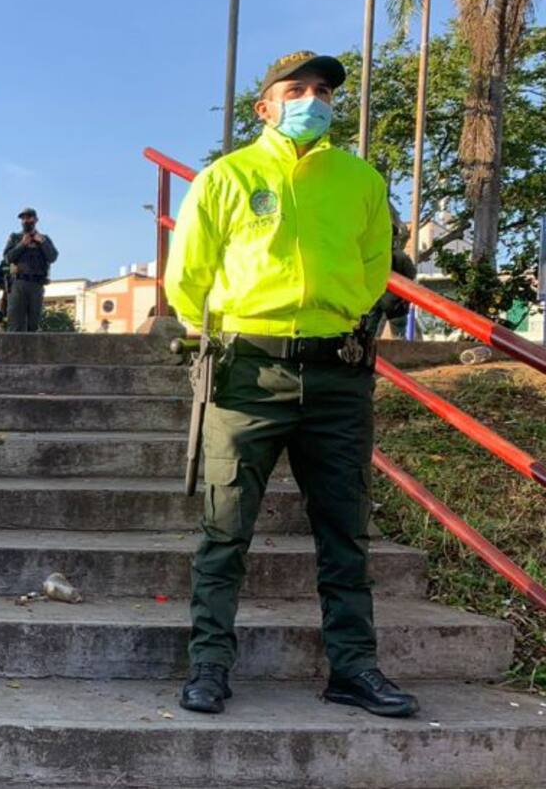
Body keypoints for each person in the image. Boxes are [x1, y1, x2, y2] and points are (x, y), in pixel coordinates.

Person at [164, 51, 416, 719]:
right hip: (248, 370)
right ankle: (210, 665)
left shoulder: (360, 179)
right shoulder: (227, 177)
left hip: (338, 373)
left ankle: (354, 668)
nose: (314, 99)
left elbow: (371, 267)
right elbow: (187, 273)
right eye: (297, 89)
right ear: (265, 106)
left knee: (344, 530)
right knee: (225, 528)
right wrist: (226, 331)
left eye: (324, 91)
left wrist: (338, 323)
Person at [364, 207, 418, 339]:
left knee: (369, 334)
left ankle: (369, 355)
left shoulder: (370, 256)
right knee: (398, 334)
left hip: (374, 299)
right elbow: (411, 274)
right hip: (395, 301)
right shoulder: (399, 256)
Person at [2, 207, 58, 332]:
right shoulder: (15, 237)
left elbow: (53, 257)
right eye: (23, 218)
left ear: (36, 219)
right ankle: (13, 351)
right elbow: (7, 258)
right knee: (15, 323)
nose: (26, 220)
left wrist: (42, 242)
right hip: (18, 284)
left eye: (29, 217)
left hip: (37, 285)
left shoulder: (44, 238)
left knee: (33, 324)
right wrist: (22, 244)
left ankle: (31, 351)